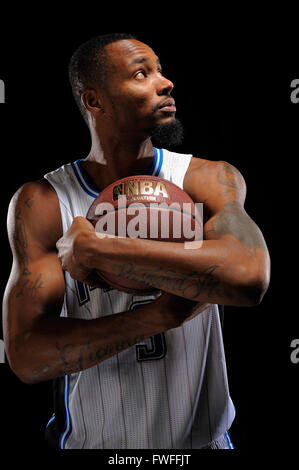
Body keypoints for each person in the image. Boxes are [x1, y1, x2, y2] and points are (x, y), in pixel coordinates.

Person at [2, 33, 270, 450]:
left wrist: (100, 249)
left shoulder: (206, 179)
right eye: (141, 74)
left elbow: (249, 277)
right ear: (95, 102)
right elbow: (27, 356)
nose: (165, 83)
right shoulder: (43, 203)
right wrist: (158, 317)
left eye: (160, 71)